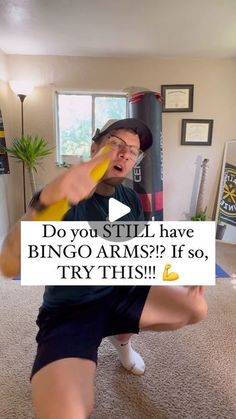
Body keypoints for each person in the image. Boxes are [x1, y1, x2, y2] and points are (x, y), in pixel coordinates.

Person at [0, 118, 208, 419]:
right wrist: (48, 201)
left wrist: (178, 264)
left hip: (117, 294)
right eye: (115, 144)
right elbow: (8, 263)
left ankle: (121, 341)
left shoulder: (130, 199)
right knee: (65, 414)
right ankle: (97, 340)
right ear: (95, 147)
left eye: (133, 151)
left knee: (195, 307)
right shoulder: (61, 195)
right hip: (70, 311)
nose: (124, 153)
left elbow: (136, 255)